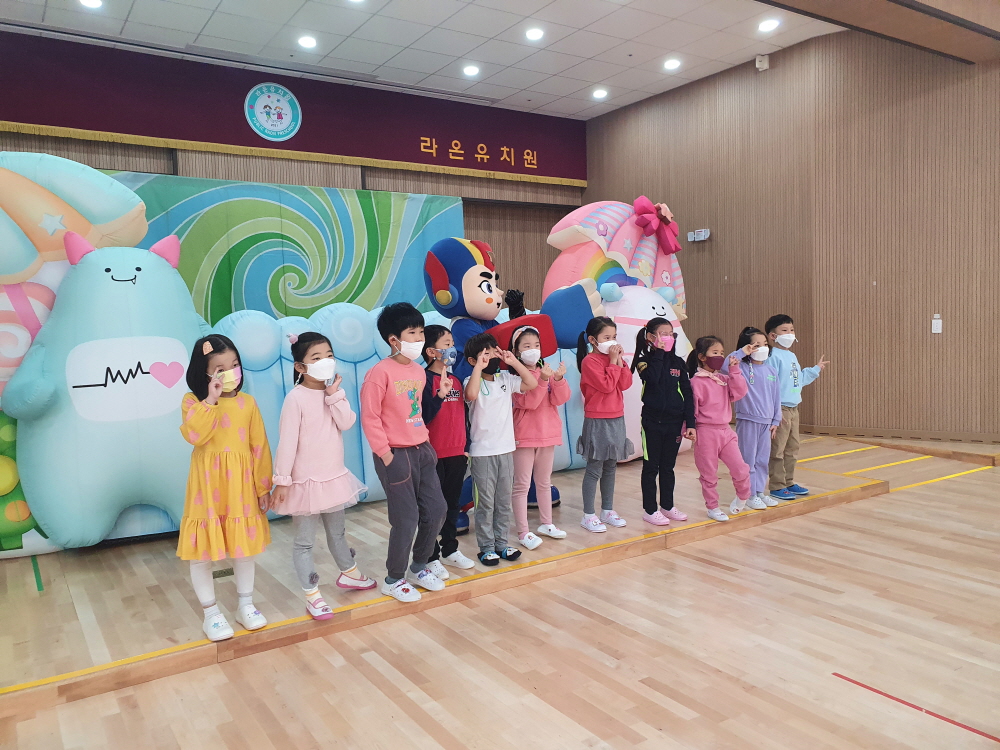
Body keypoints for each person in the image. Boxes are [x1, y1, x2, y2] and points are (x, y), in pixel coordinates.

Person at [271, 332, 375, 622]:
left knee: (338, 533)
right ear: (300, 367)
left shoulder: (332, 394)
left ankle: (350, 573)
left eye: (329, 355)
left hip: (333, 479)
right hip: (305, 484)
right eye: (316, 358)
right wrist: (282, 480)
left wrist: (334, 395)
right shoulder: (295, 399)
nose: (326, 361)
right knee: (305, 542)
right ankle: (312, 594)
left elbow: (347, 422)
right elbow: (287, 443)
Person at [177, 335, 273, 641]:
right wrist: (211, 401)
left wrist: (263, 486)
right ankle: (211, 614)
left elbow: (259, 447)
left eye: (234, 365)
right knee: (202, 553)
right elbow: (195, 436)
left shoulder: (248, 403)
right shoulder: (192, 402)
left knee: (244, 549)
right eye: (220, 369)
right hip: (207, 488)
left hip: (241, 487)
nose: (231, 372)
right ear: (204, 373)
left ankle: (246, 604)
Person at [360, 303, 447, 603]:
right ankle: (394, 579)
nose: (419, 338)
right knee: (406, 519)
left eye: (421, 332)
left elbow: (417, 411)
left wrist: (427, 444)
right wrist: (386, 455)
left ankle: (419, 567)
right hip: (395, 455)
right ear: (393, 339)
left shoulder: (419, 372)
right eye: (413, 333)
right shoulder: (378, 373)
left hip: (422, 449)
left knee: (436, 510)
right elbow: (370, 417)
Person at [464, 332, 538, 565]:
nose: (492, 358)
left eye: (494, 352)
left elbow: (531, 383)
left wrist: (513, 361)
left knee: (503, 501)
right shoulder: (470, 381)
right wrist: (479, 367)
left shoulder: (505, 378)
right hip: (482, 453)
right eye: (485, 354)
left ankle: (502, 544)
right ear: (473, 360)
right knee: (485, 503)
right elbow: (471, 395)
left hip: (506, 450)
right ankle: (486, 548)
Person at [420, 324, 475, 575]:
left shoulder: (456, 380)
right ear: (431, 351)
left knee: (452, 504)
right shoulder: (422, 380)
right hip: (432, 455)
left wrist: (466, 446)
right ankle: (430, 556)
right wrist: (439, 395)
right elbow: (423, 416)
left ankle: (450, 549)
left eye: (452, 343)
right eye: (446, 344)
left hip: (456, 453)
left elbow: (463, 416)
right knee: (433, 508)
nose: (452, 348)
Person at [631, 318, 696, 526]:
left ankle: (667, 506)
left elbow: (687, 393)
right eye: (662, 333)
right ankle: (650, 510)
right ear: (651, 337)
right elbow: (653, 379)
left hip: (674, 423)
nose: (668, 337)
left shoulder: (678, 363)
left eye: (670, 333)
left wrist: (690, 423)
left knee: (668, 467)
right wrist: (659, 352)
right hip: (652, 423)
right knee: (651, 467)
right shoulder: (643, 361)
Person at [511, 325, 570, 548]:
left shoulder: (546, 370)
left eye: (536, 345)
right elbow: (530, 402)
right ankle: (523, 532)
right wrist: (544, 380)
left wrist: (559, 379)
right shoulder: (515, 376)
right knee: (522, 485)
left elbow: (559, 399)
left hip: (548, 434)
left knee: (544, 482)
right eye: (527, 346)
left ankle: (547, 524)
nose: (533, 350)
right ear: (517, 351)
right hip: (525, 437)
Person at [685, 336, 753, 522]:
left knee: (741, 468)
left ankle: (743, 496)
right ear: (702, 357)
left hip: (726, 431)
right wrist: (689, 428)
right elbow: (690, 409)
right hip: (705, 433)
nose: (720, 356)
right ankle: (712, 507)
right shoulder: (696, 382)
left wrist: (734, 370)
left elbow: (740, 391)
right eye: (715, 352)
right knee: (709, 473)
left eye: (722, 353)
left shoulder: (723, 379)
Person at [576, 316, 633, 533]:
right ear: (593, 340)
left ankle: (607, 510)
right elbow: (607, 385)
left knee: (611, 466)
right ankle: (588, 514)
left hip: (617, 417)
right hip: (597, 419)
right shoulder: (590, 362)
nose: (612, 341)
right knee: (594, 468)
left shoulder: (614, 359)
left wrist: (619, 361)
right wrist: (612, 362)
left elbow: (625, 383)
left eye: (614, 336)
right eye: (606, 337)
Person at [764, 314, 829, 500]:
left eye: (791, 330)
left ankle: (789, 482)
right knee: (777, 449)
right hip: (780, 408)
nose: (790, 334)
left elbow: (797, 380)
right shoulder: (772, 356)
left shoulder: (791, 355)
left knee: (792, 448)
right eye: (784, 330)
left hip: (793, 408)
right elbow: (769, 385)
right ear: (773, 336)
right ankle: (777, 485)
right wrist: (774, 411)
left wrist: (815, 369)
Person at [722, 327, 782, 512]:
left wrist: (776, 420)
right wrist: (742, 352)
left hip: (767, 423)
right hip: (748, 420)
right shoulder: (740, 367)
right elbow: (725, 364)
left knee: (762, 460)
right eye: (756, 345)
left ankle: (759, 492)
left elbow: (776, 397)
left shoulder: (771, 370)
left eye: (765, 344)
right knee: (748, 460)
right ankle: (749, 495)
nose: (762, 348)